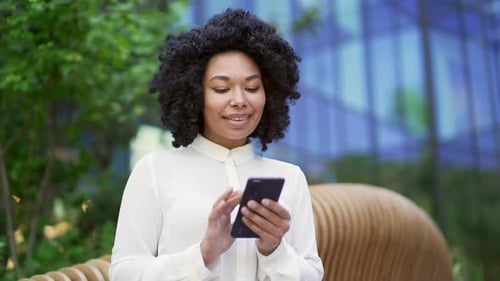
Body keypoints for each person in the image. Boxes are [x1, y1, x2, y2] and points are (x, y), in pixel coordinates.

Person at [110, 8, 324, 281]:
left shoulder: (289, 178)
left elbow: (312, 275)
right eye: (222, 89)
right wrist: (202, 255)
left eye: (252, 87)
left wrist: (274, 250)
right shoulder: (155, 170)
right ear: (195, 95)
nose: (239, 100)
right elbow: (123, 273)